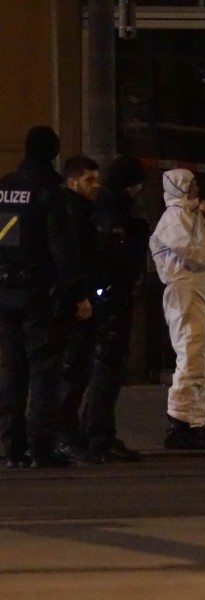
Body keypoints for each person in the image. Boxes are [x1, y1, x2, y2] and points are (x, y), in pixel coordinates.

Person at [0, 126, 88, 468]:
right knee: (44, 372)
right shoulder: (52, 192)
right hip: (39, 294)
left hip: (6, 290)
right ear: (54, 153)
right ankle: (41, 448)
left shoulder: (5, 186)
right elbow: (62, 249)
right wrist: (78, 294)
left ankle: (11, 447)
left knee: (12, 371)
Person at [150, 168, 205, 449]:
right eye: (191, 184)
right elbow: (200, 255)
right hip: (186, 292)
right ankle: (180, 420)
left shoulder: (199, 213)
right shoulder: (173, 219)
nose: (196, 188)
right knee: (191, 354)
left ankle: (195, 420)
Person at [81, 155, 150, 463]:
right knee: (106, 369)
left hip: (105, 297)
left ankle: (95, 434)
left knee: (101, 369)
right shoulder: (113, 212)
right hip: (111, 300)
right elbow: (112, 258)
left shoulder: (105, 207)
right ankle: (98, 436)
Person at [50, 156, 101, 462]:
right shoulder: (69, 212)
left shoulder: (82, 211)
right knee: (71, 370)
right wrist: (80, 297)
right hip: (73, 304)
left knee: (76, 371)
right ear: (72, 182)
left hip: (78, 299)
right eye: (89, 180)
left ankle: (65, 431)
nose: (96, 186)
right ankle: (62, 434)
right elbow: (71, 259)